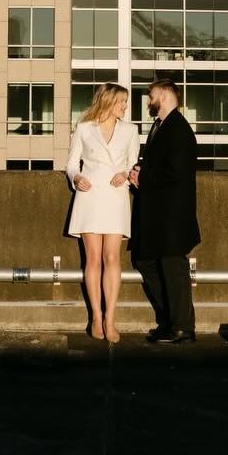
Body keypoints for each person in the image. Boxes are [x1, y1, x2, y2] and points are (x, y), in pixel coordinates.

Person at [63, 83, 140, 343]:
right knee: (93, 258)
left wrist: (126, 175)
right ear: (108, 101)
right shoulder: (84, 128)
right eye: (122, 102)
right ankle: (96, 316)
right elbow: (72, 164)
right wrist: (77, 178)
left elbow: (133, 164)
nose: (125, 107)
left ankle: (110, 318)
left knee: (113, 258)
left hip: (116, 198)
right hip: (91, 195)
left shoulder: (130, 131)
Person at [128, 73, 200, 344]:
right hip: (157, 215)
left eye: (151, 94)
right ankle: (169, 321)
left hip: (171, 216)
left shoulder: (178, 128)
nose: (148, 99)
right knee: (145, 262)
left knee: (173, 269)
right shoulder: (162, 126)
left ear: (165, 94)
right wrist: (141, 173)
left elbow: (176, 172)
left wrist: (142, 178)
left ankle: (182, 326)